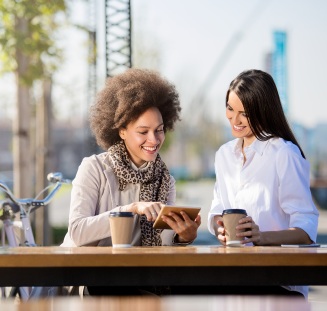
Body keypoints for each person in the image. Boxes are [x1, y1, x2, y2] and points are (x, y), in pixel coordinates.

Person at [31, 68, 201, 298]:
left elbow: (164, 246)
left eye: (159, 130)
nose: (154, 139)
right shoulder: (94, 168)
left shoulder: (165, 180)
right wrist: (131, 209)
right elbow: (78, 232)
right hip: (88, 279)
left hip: (135, 279)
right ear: (122, 131)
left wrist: (183, 237)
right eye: (143, 131)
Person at [208, 69, 319, 298]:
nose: (234, 120)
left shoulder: (283, 153)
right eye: (230, 108)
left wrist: (262, 237)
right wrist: (219, 226)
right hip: (233, 277)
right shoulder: (224, 155)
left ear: (263, 111)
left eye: (244, 113)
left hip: (278, 283)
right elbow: (217, 207)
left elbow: (306, 229)